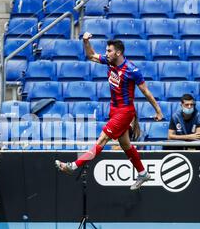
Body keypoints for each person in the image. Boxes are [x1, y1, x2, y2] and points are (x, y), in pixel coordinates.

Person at [55, 34, 163, 190]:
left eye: (109, 51)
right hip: (114, 109)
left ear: (118, 53)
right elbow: (91, 55)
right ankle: (142, 172)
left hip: (125, 112)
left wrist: (158, 111)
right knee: (125, 144)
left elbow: (146, 92)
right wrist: (86, 41)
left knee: (102, 139)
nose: (106, 53)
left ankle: (73, 166)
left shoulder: (132, 70)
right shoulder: (109, 61)